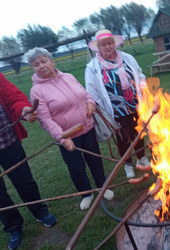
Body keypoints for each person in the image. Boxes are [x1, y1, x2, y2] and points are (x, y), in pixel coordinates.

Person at [25, 48, 114, 211]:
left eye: (44, 61)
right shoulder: (36, 91)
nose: (41, 66)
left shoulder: (69, 77)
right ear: (33, 68)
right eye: (36, 64)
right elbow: (45, 119)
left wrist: (90, 103)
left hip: (87, 127)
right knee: (76, 166)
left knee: (95, 159)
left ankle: (102, 187)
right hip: (67, 135)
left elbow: (86, 94)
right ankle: (86, 194)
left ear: (52, 61)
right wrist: (62, 138)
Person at [0, 73, 56, 250]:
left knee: (24, 180)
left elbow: (14, 98)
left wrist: (23, 110)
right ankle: (13, 226)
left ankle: (39, 211)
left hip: (9, 141)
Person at [85, 29, 151, 179]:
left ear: (114, 44)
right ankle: (128, 164)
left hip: (134, 104)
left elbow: (139, 75)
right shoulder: (92, 67)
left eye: (110, 43)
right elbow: (92, 90)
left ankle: (141, 158)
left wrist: (143, 89)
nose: (107, 47)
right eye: (103, 45)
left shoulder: (127, 58)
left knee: (138, 133)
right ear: (98, 48)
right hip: (114, 109)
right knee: (123, 138)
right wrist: (102, 111)